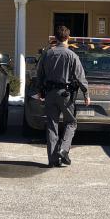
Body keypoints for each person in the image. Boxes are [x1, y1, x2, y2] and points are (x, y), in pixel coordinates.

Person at [35, 24, 89, 168]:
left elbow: (39, 74)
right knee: (71, 122)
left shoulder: (47, 54)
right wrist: (86, 93)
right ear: (68, 38)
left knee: (52, 126)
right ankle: (63, 150)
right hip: (66, 95)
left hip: (50, 94)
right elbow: (80, 77)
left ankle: (53, 160)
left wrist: (40, 90)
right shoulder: (72, 55)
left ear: (55, 38)